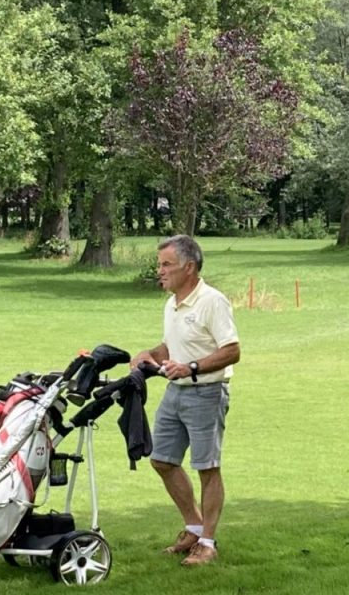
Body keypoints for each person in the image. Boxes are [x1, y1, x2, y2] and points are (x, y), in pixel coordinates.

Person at [132, 235, 241, 566]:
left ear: (189, 267)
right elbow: (171, 346)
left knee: (207, 467)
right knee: (162, 460)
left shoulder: (212, 302)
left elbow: (232, 349)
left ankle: (208, 542)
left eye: (167, 264)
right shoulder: (172, 303)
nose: (160, 271)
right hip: (174, 392)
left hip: (207, 393)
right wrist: (149, 354)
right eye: (160, 264)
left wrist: (191, 367)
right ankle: (194, 526)